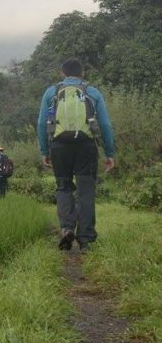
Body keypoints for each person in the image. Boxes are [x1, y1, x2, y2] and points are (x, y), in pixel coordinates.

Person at [37, 58, 115, 252]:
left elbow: (41, 123)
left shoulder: (52, 92)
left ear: (62, 73)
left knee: (63, 187)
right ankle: (86, 239)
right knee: (85, 190)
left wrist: (44, 151)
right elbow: (105, 125)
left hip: (59, 146)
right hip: (86, 146)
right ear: (82, 74)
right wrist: (109, 152)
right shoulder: (92, 92)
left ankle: (66, 228)